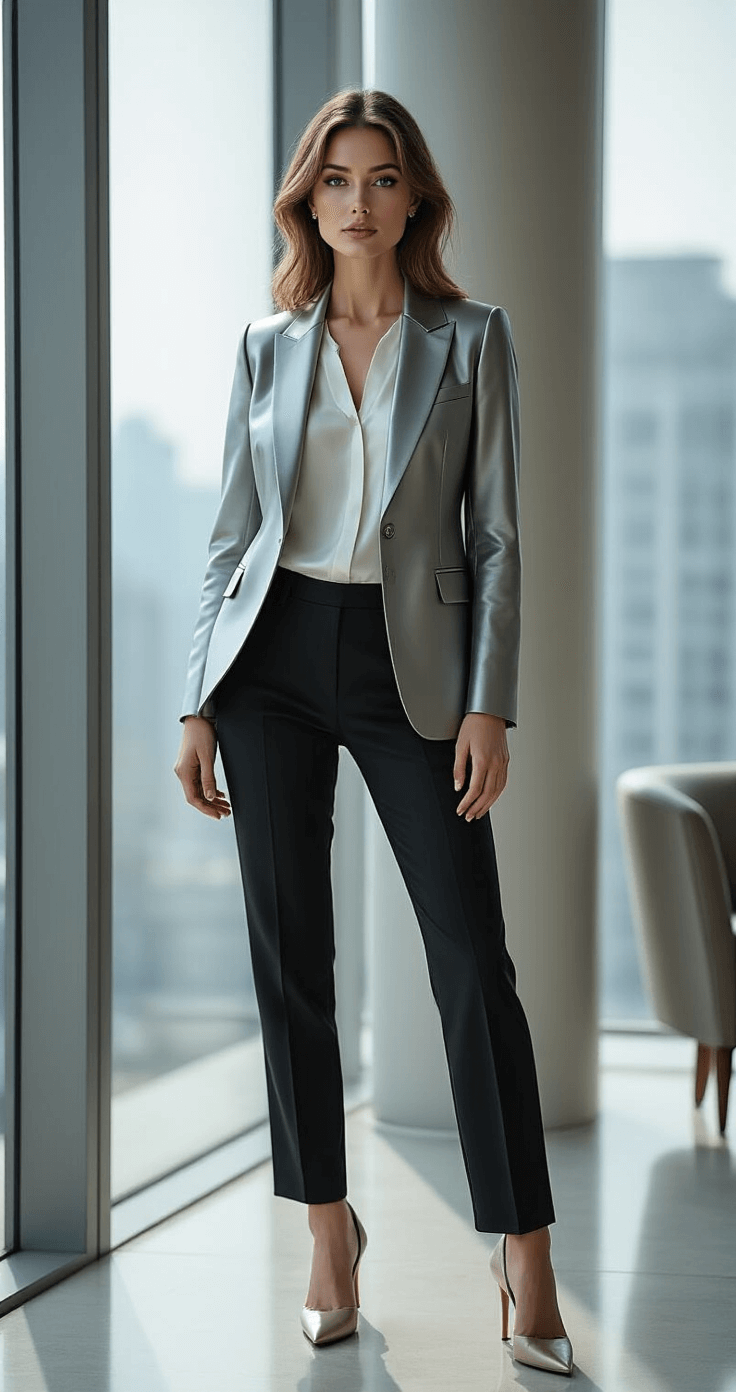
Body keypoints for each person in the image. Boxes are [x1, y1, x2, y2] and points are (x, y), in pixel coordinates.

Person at [174, 88, 573, 1377]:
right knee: (292, 954)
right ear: (310, 200)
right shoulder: (265, 344)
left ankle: (525, 1254)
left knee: (471, 962)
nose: (359, 202)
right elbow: (234, 534)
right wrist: (197, 699)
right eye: (335, 180)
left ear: (415, 196)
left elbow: (499, 537)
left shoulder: (473, 340)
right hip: (271, 657)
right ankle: (330, 1234)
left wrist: (490, 703)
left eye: (382, 177)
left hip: (419, 668)